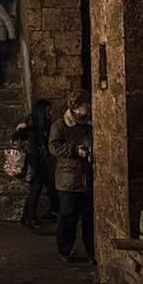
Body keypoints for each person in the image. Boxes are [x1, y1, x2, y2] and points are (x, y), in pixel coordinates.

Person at [49, 90, 95, 264]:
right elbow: (53, 147)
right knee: (68, 217)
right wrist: (74, 150)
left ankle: (92, 252)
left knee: (89, 218)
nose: (89, 107)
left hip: (87, 178)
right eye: (86, 104)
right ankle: (64, 250)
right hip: (68, 179)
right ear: (76, 107)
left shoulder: (88, 125)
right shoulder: (60, 126)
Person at [14, 100, 58, 229]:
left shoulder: (45, 124)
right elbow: (18, 137)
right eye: (48, 110)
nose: (51, 113)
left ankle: (26, 217)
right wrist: (21, 129)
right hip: (33, 162)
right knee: (35, 188)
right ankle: (31, 219)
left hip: (40, 161)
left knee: (40, 188)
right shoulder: (31, 123)